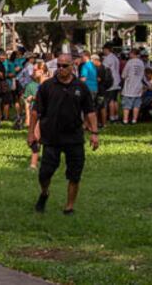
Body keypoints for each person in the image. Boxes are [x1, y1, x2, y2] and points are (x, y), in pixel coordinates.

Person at [34, 54, 99, 215]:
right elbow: (36, 112)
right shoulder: (47, 86)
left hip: (74, 137)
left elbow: (90, 111)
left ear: (72, 67)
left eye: (65, 66)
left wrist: (94, 133)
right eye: (59, 65)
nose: (61, 69)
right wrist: (32, 132)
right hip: (51, 136)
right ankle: (44, 192)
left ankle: (69, 207)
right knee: (45, 173)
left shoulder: (81, 87)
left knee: (74, 174)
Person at [121, 49, 145, 124]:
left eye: (130, 54)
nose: (129, 55)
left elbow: (124, 74)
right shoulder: (141, 62)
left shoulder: (130, 62)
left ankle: (125, 120)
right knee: (136, 105)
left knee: (126, 105)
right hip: (138, 86)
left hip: (129, 87)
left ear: (132, 54)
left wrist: (124, 77)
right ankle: (134, 120)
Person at [102, 44, 121, 123]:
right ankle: (116, 116)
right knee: (115, 100)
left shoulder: (108, 58)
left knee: (111, 101)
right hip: (117, 80)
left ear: (107, 49)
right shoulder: (115, 57)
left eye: (104, 50)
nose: (103, 51)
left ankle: (112, 117)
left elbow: (104, 69)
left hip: (111, 81)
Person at [79, 52, 99, 121]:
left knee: (86, 108)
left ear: (86, 57)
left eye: (81, 57)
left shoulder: (85, 66)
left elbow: (83, 79)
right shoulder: (93, 65)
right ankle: (93, 122)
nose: (81, 58)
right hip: (95, 87)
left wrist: (77, 83)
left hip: (88, 88)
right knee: (92, 107)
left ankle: (86, 124)